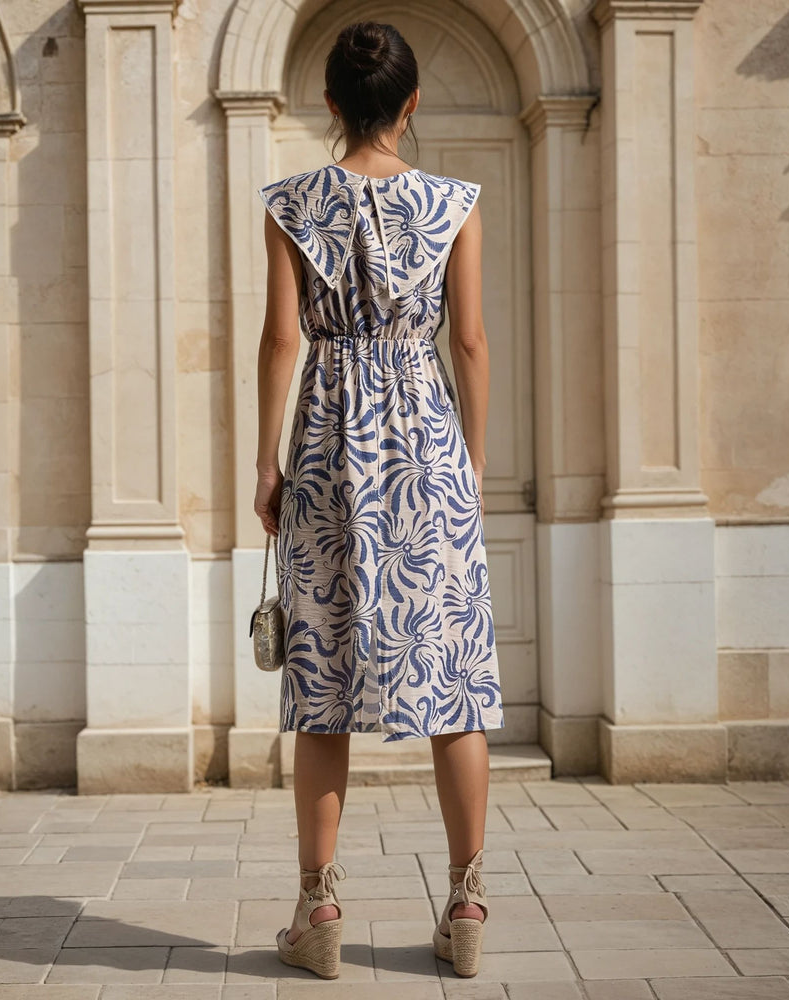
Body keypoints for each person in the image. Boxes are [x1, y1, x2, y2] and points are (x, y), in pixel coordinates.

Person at [253, 19, 504, 981]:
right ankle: (467, 900)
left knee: (320, 687)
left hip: (323, 442)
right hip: (427, 445)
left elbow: (281, 340)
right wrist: (470, 464)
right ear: (411, 105)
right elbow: (471, 342)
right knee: (456, 680)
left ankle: (319, 913)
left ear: (328, 106)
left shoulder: (290, 200)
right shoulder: (453, 201)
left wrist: (267, 463)